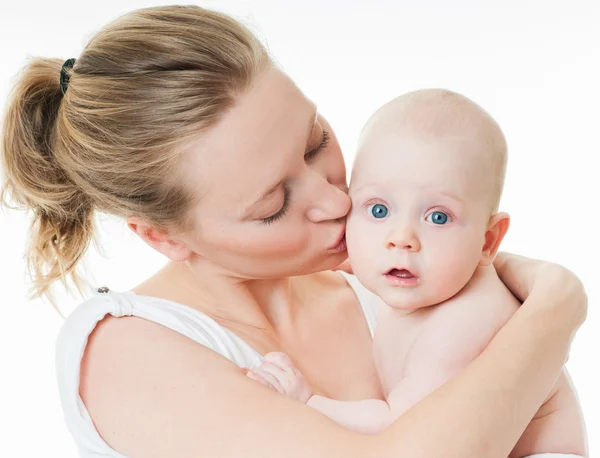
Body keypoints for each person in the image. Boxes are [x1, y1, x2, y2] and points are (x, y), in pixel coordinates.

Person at [0, 5, 587, 458]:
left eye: (316, 141)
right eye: (274, 204)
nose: (336, 200)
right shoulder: (129, 353)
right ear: (165, 237)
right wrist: (556, 310)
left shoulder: (383, 282)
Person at [247, 89, 588, 457]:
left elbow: (400, 426)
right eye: (378, 211)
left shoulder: (460, 324)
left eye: (438, 217)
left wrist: (309, 400)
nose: (402, 239)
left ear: (488, 241)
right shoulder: (426, 279)